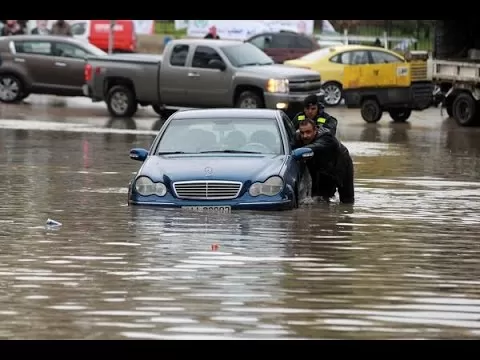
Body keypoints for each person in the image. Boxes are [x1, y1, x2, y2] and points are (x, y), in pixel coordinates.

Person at [294, 118, 354, 204]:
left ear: (315, 130)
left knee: (347, 200)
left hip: (340, 164)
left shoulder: (327, 137)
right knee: (319, 198)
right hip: (320, 167)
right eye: (302, 133)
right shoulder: (297, 136)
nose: (305, 136)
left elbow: (314, 147)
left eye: (308, 132)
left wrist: (296, 152)